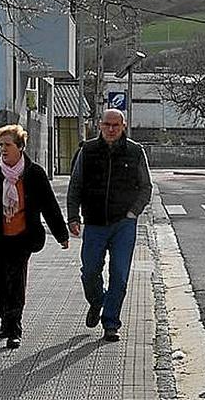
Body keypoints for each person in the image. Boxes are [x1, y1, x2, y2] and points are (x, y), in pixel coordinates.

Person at [0, 124, 69, 349]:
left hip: (22, 237)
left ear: (20, 146)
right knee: (0, 282)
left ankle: (14, 327)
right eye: (1, 145)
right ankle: (5, 318)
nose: (3, 149)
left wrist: (61, 234)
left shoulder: (34, 173)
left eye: (8, 145)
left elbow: (49, 205)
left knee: (17, 281)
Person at [67, 109, 152, 342]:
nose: (111, 129)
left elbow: (146, 187)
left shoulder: (135, 152)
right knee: (90, 270)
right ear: (100, 125)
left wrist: (133, 212)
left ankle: (111, 323)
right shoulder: (88, 150)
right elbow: (75, 186)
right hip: (94, 223)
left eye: (116, 125)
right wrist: (73, 217)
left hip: (124, 224)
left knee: (120, 275)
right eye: (107, 125)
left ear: (124, 126)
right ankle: (97, 301)